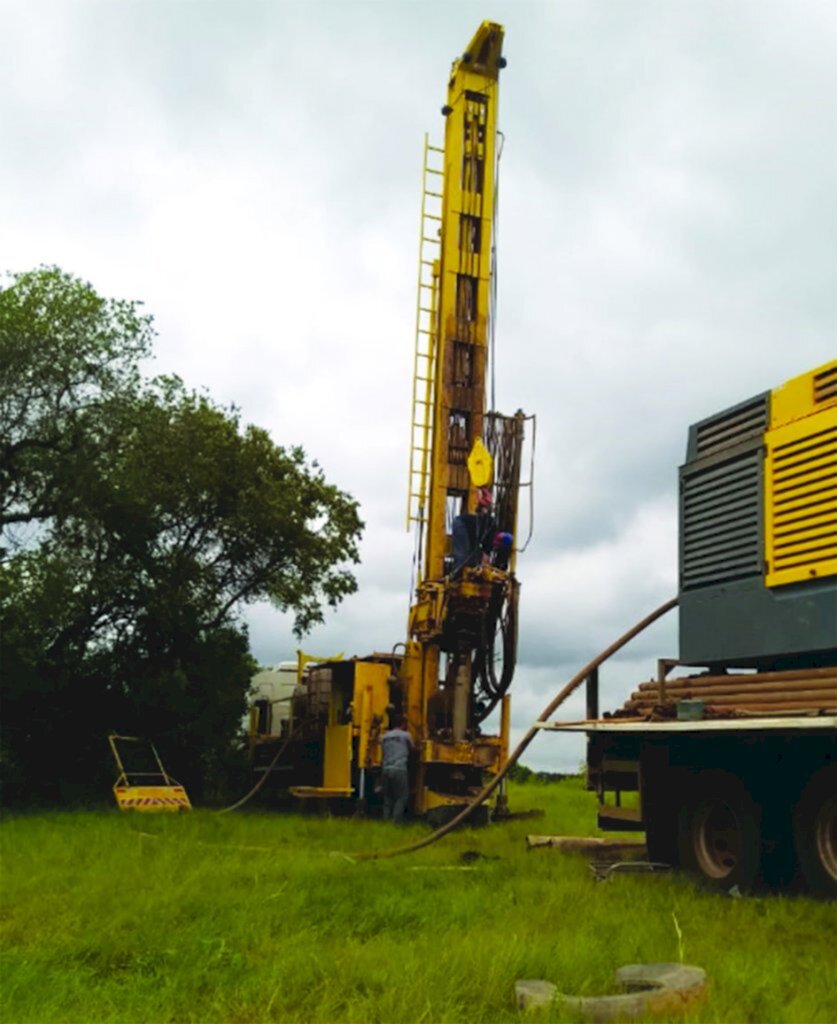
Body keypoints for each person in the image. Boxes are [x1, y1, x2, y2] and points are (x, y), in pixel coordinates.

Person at [380, 716, 414, 823]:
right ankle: (395, 822)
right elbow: (412, 748)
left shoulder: (384, 737)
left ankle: (386, 821)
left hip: (386, 769)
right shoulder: (406, 735)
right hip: (399, 769)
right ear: (403, 724)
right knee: (402, 796)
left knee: (387, 798)